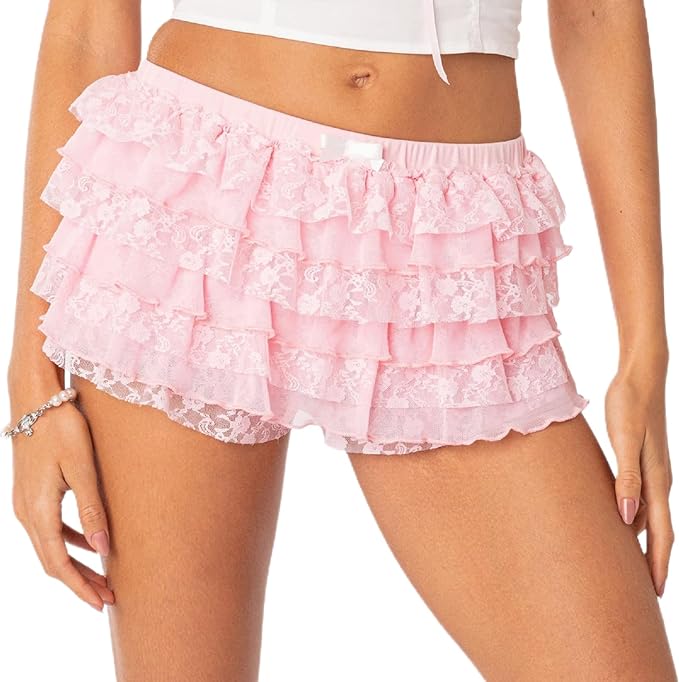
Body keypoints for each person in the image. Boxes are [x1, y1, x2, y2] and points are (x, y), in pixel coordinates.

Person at [4, 1, 675, 679]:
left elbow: (596, 16)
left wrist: (644, 357)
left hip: (445, 243)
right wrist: (33, 384)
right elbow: (87, 26)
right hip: (201, 206)